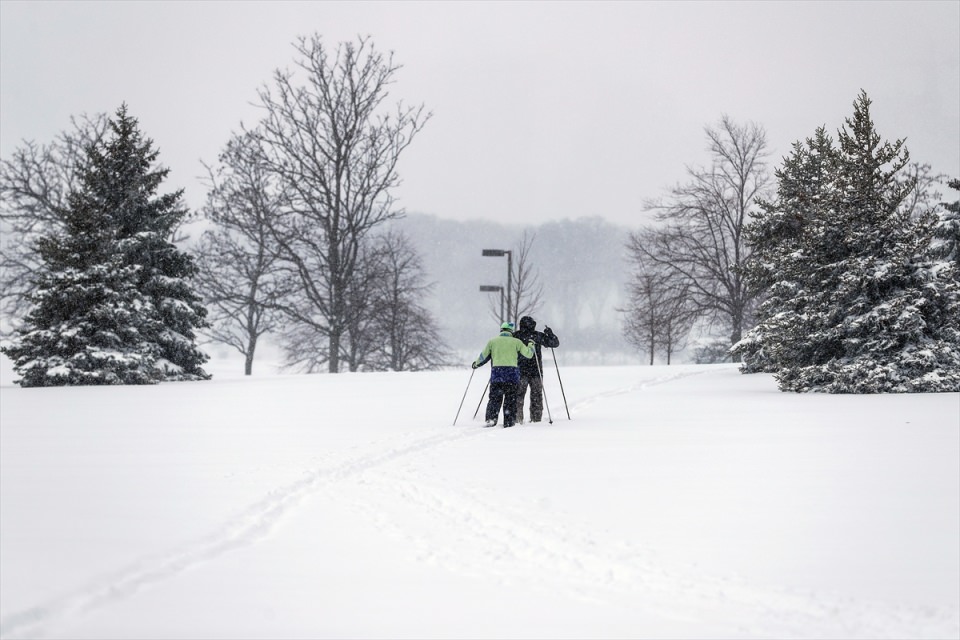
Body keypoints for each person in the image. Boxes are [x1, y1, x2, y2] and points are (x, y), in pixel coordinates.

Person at [472, 321, 535, 428]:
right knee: (510, 399)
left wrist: (476, 364)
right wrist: (531, 344)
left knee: (494, 399)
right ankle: (509, 421)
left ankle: (491, 419)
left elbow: (483, 357)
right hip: (512, 375)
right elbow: (528, 354)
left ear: (501, 330)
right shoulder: (517, 342)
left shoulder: (492, 342)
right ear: (511, 331)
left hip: (497, 374)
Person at [513, 316, 560, 424]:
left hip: (520, 370)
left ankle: (517, 418)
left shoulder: (516, 336)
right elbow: (554, 343)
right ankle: (536, 418)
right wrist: (550, 334)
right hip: (536, 371)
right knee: (536, 395)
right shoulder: (537, 335)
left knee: (518, 395)